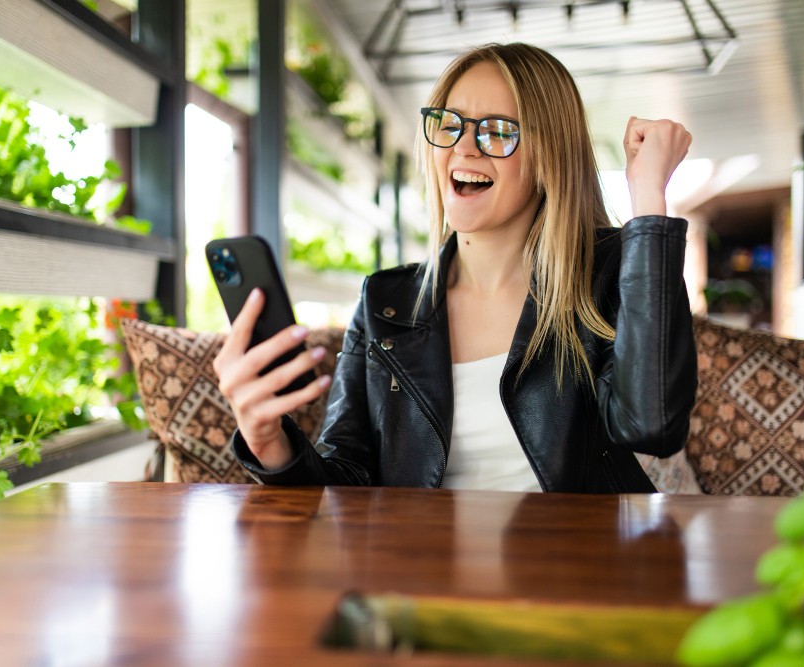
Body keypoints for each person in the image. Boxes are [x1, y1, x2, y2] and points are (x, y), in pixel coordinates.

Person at [214, 42, 697, 493]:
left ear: (550, 155)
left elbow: (653, 426)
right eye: (450, 124)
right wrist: (269, 442)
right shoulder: (386, 300)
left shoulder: (613, 272)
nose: (464, 148)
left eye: (498, 131)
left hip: (582, 553)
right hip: (424, 557)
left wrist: (648, 196)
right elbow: (343, 482)